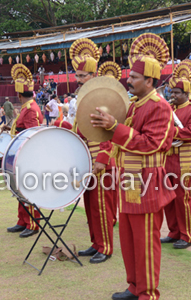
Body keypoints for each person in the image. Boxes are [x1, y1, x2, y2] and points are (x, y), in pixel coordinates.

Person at [90, 33, 175, 300]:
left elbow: (151, 144)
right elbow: (119, 140)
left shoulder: (160, 107)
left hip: (148, 181)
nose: (129, 80)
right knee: (128, 239)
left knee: (146, 242)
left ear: (149, 80)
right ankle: (134, 286)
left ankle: (148, 293)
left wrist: (115, 127)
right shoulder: (134, 106)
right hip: (129, 180)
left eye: (135, 78)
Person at [69, 38, 118, 264]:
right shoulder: (83, 96)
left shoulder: (101, 96)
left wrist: (102, 159)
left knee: (102, 207)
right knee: (90, 205)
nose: (78, 80)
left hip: (101, 160)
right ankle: (95, 243)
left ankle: (105, 247)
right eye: (77, 75)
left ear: (93, 75)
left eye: (82, 76)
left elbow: (110, 133)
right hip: (86, 158)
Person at [161, 60, 191, 249]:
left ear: (186, 94)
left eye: (177, 93)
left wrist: (169, 132)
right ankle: (173, 231)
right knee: (169, 198)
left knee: (183, 198)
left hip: (184, 159)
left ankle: (186, 235)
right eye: (172, 93)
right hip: (168, 157)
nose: (173, 96)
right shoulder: (169, 109)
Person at [5, 64, 43, 238]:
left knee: (29, 191)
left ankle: (33, 224)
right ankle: (22, 220)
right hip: (21, 155)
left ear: (19, 94)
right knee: (20, 190)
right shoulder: (27, 108)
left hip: (28, 155)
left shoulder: (31, 109)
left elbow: (32, 135)